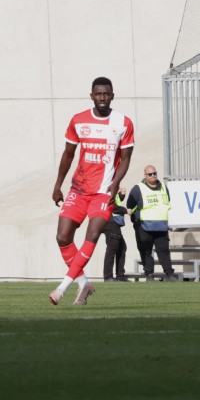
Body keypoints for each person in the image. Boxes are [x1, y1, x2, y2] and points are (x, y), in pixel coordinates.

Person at [50, 77, 134, 305]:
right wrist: (58, 185)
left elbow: (126, 159)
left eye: (106, 94)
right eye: (98, 94)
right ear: (91, 96)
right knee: (62, 237)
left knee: (93, 235)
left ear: (112, 96)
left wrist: (115, 184)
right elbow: (68, 155)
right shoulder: (78, 120)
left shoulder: (123, 123)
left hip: (103, 192)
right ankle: (84, 284)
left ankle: (62, 288)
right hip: (79, 189)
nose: (102, 98)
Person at [126, 166, 179, 281]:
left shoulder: (163, 187)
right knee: (146, 251)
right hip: (144, 226)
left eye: (155, 173)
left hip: (161, 226)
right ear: (145, 175)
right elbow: (130, 205)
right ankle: (149, 274)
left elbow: (167, 202)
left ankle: (169, 274)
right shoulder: (137, 188)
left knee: (163, 250)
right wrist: (135, 220)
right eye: (150, 174)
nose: (153, 175)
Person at [102, 188, 129, 281]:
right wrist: (125, 210)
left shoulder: (112, 187)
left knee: (121, 247)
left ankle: (120, 276)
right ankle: (108, 276)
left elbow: (115, 201)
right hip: (110, 222)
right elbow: (111, 206)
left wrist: (121, 196)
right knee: (112, 249)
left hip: (113, 222)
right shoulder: (107, 188)